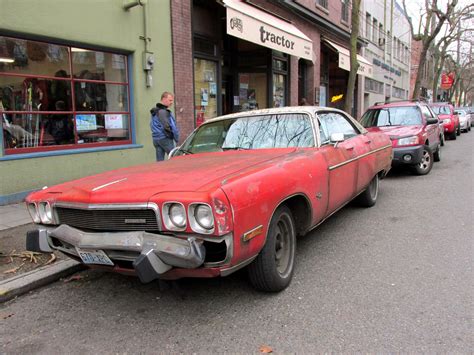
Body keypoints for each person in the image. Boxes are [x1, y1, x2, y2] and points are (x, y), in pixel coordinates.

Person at [150, 92, 179, 161]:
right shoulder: (164, 112)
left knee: (160, 162)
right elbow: (170, 127)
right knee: (175, 158)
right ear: (164, 99)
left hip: (156, 139)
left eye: (172, 100)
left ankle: (159, 172)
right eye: (170, 100)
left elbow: (151, 124)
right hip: (165, 139)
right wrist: (176, 138)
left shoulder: (155, 111)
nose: (172, 102)